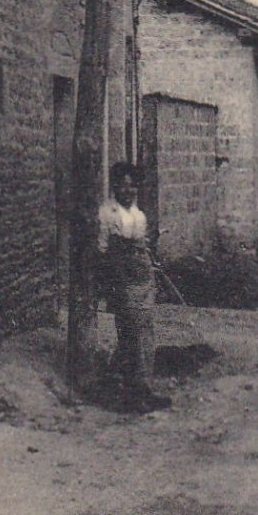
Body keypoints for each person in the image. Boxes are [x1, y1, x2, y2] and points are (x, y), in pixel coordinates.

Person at [96, 163, 169, 413]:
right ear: (114, 186)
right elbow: (103, 249)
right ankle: (131, 393)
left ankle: (144, 389)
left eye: (132, 185)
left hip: (142, 277)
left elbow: (143, 248)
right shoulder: (107, 213)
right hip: (122, 277)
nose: (128, 190)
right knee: (130, 334)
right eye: (123, 185)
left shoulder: (139, 216)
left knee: (145, 333)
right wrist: (110, 282)